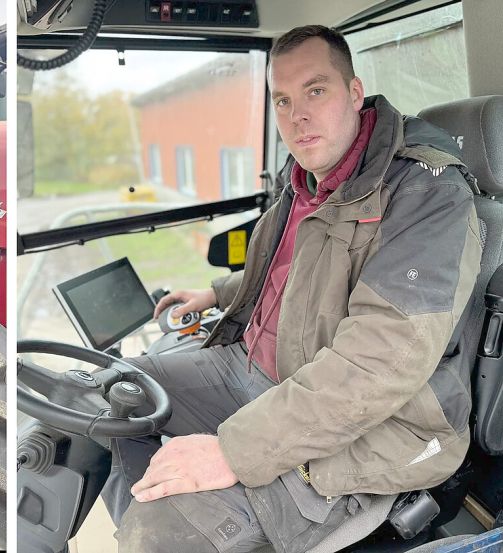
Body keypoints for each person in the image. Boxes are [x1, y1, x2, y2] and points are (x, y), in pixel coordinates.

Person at [103, 25, 482, 553]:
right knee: (118, 387)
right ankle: (155, 495)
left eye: (315, 90)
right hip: (255, 368)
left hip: (374, 423)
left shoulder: (425, 193)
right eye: (282, 100)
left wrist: (231, 453)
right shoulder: (306, 174)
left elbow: (381, 360)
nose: (296, 114)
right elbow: (300, 268)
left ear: (354, 92)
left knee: (165, 532)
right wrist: (217, 294)